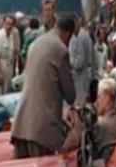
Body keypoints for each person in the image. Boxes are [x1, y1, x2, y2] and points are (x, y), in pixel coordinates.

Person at [11, 12, 77, 158]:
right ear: (68, 34)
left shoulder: (36, 44)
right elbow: (70, 95)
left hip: (22, 123)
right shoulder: (60, 50)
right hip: (42, 130)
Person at [60, 76, 116, 161]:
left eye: (98, 97)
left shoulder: (101, 126)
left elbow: (74, 143)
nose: (96, 102)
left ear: (107, 99)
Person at [69, 12, 96, 106]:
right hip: (86, 75)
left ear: (76, 23)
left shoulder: (80, 38)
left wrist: (69, 61)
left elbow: (79, 63)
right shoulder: (85, 35)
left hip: (81, 78)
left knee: (80, 104)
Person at [0, 13, 21, 95]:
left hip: (9, 66)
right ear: (3, 23)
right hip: (0, 66)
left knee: (7, 93)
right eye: (7, 24)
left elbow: (15, 53)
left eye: (11, 24)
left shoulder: (12, 36)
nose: (9, 26)